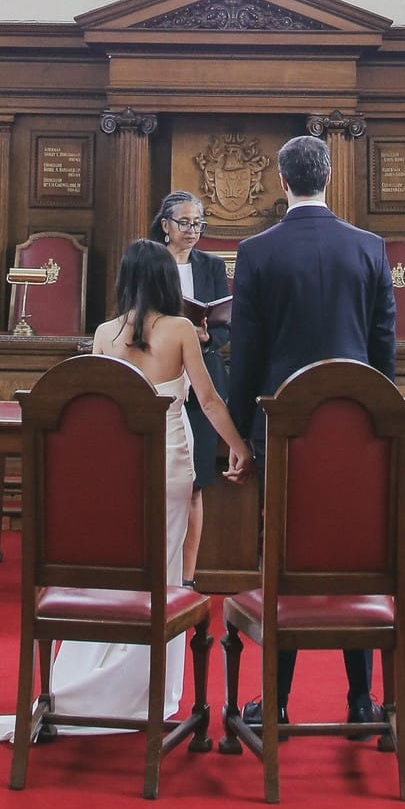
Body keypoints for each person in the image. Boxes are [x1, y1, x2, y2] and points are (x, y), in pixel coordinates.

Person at [0, 240, 250, 744]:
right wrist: (239, 448)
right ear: (166, 281)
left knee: (116, 564)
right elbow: (207, 399)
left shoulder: (104, 332)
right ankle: (140, 690)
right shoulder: (181, 329)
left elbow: (93, 410)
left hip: (115, 469)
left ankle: (86, 681)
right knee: (161, 570)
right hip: (167, 462)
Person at [227, 133, 396, 731]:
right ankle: (359, 700)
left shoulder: (257, 252)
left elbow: (245, 354)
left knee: (287, 556)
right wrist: (381, 428)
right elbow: (383, 348)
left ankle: (275, 702)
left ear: (281, 180)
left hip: (283, 427)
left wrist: (241, 433)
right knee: (351, 555)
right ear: (329, 177)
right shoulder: (370, 248)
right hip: (356, 431)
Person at [151, 189, 231, 584]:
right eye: (184, 223)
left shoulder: (212, 266)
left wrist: (205, 337)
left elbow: (226, 322)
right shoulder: (149, 262)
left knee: (195, 483)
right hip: (157, 375)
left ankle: (187, 577)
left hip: (201, 376)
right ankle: (152, 572)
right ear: (165, 225)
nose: (192, 231)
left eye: (198, 223)